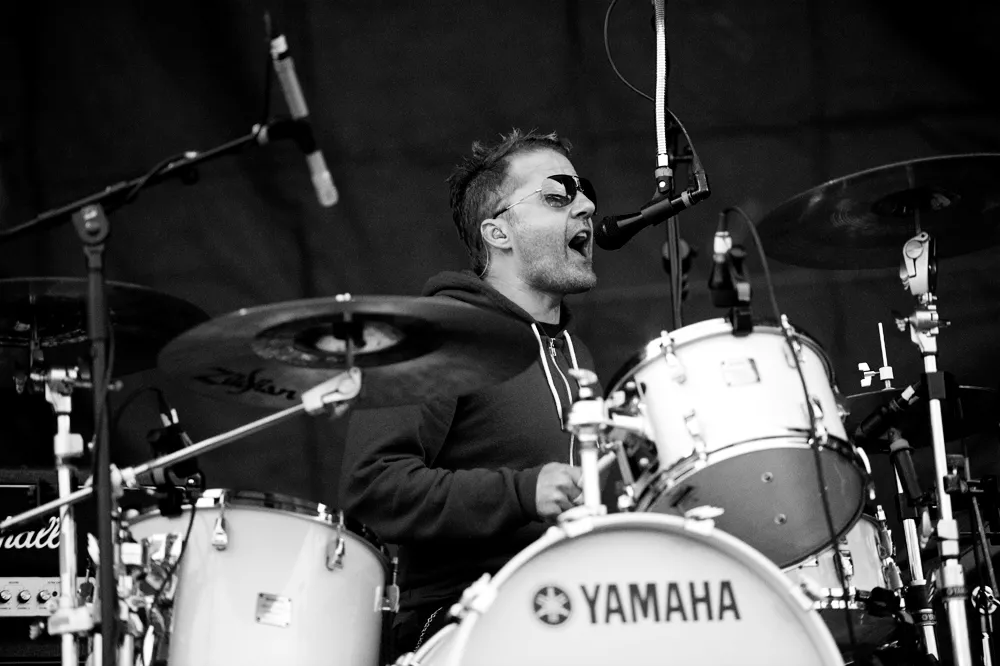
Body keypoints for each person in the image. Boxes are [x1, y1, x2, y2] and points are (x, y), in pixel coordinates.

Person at [339, 128, 601, 660]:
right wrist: (521, 492)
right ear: (498, 232)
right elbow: (373, 486)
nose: (587, 206)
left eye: (584, 192)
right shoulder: (436, 334)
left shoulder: (576, 356)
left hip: (571, 614)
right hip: (460, 625)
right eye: (559, 194)